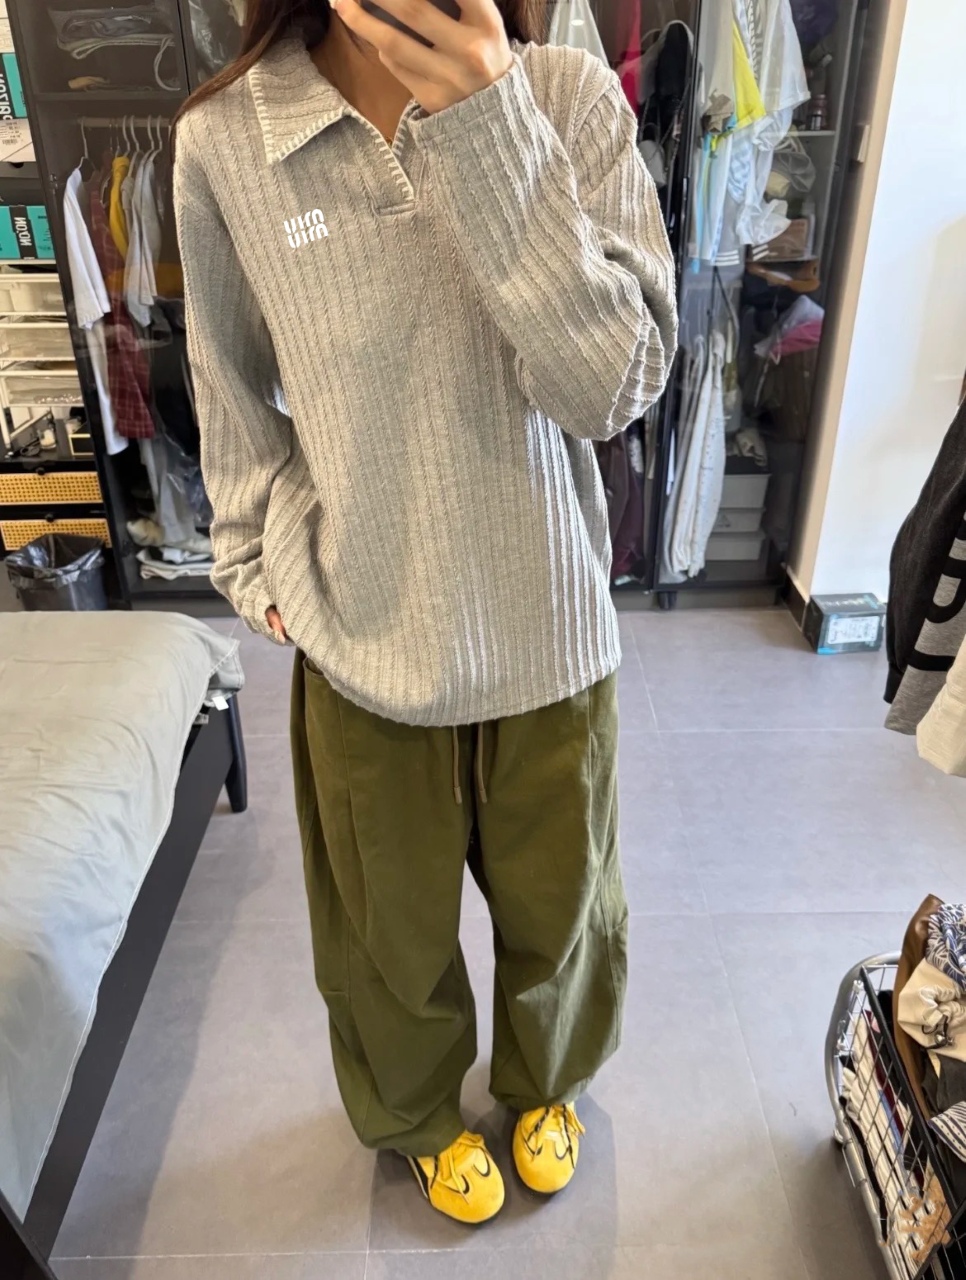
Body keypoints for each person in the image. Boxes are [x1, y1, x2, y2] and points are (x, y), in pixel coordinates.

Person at [173, 0, 676, 1226]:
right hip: (365, 629)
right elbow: (228, 385)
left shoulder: (565, 96)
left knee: (564, 907)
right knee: (384, 935)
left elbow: (615, 386)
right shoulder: (230, 137)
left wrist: (490, 123)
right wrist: (253, 561)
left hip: (549, 624)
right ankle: (416, 1118)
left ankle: (548, 1082)